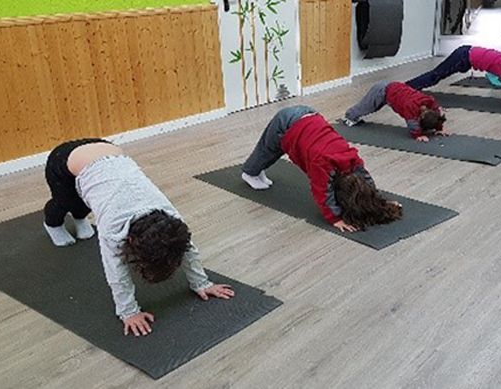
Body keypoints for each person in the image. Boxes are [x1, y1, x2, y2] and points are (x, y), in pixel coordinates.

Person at [43, 138, 234, 337]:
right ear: (131, 241)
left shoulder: (172, 220)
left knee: (85, 204)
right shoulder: (113, 230)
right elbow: (115, 271)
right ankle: (52, 224)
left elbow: (188, 249)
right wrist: (128, 312)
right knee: (66, 202)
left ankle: (80, 218)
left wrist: (202, 283)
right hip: (64, 160)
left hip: (105, 152)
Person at [241, 106, 403, 232]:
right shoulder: (323, 166)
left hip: (309, 115)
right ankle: (250, 173)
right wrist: (335, 219)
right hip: (286, 121)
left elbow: (366, 180)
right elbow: (323, 193)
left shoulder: (352, 159)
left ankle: (256, 171)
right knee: (269, 150)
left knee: (272, 150)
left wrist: (379, 201)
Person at [406, 45, 501, 111]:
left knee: (436, 76)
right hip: (464, 56)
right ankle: (405, 88)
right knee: (435, 76)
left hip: (468, 57)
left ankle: (407, 87)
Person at [342, 81, 448, 142]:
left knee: (372, 108)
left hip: (394, 89)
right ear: (420, 118)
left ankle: (351, 116)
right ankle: (349, 117)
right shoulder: (410, 107)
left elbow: (438, 116)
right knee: (367, 107)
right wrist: (418, 135)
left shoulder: (431, 102)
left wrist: (440, 128)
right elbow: (413, 125)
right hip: (382, 90)